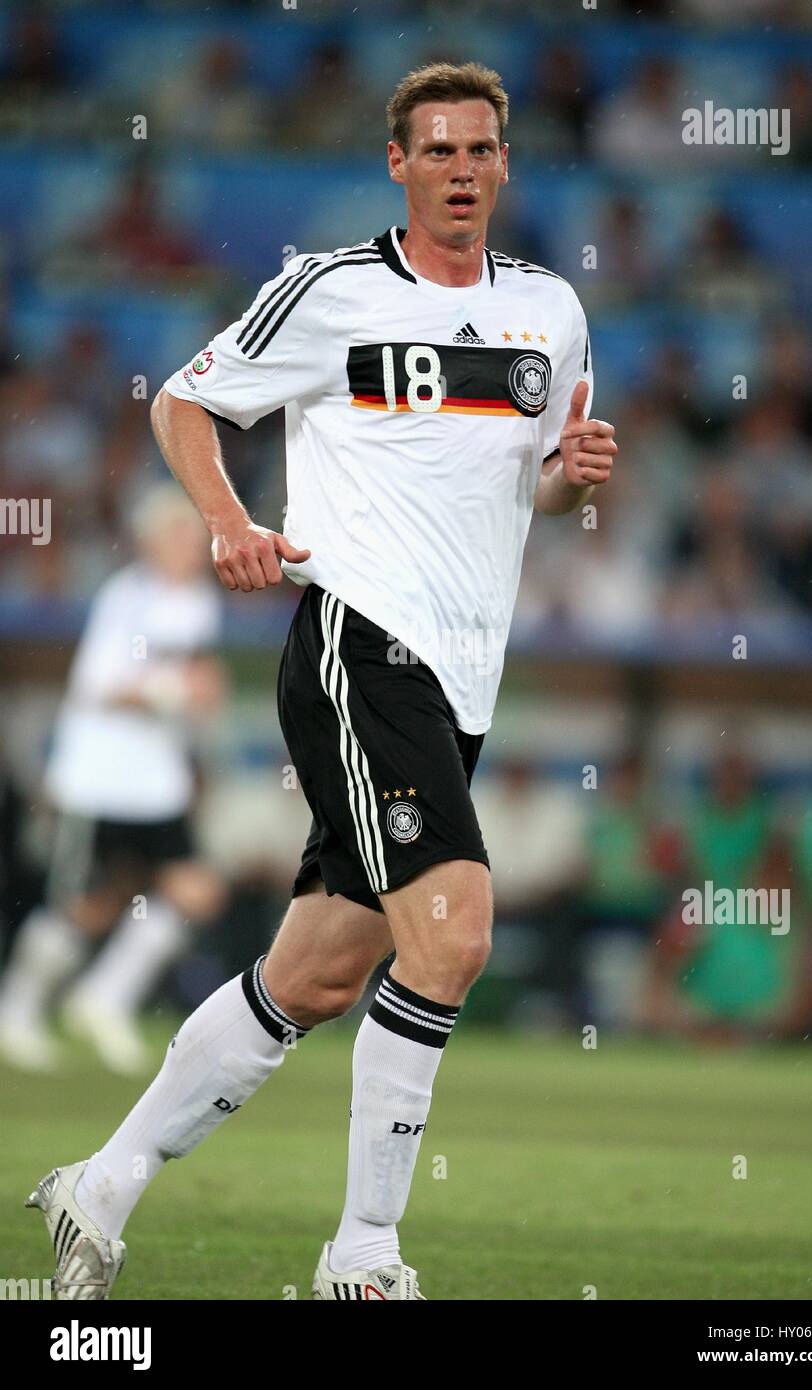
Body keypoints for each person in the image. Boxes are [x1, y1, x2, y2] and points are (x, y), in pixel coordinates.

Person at [27, 60, 617, 1302]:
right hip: (360, 645)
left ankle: (105, 1180)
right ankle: (364, 1253)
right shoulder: (329, 292)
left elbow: (541, 487)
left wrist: (574, 473)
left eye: (480, 150)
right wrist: (233, 522)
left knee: (319, 973)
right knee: (452, 936)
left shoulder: (552, 314)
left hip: (461, 680)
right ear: (397, 164)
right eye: (437, 150)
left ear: (505, 165)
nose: (461, 170)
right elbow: (186, 403)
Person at [0, 485, 226, 1074]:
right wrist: (177, 691)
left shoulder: (199, 601)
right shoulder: (126, 599)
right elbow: (100, 686)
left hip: (157, 783)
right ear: (155, 540)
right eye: (183, 535)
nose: (193, 546)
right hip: (101, 780)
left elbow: (200, 681)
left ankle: (103, 998)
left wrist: (200, 695)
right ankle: (16, 1012)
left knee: (193, 891)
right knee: (89, 904)